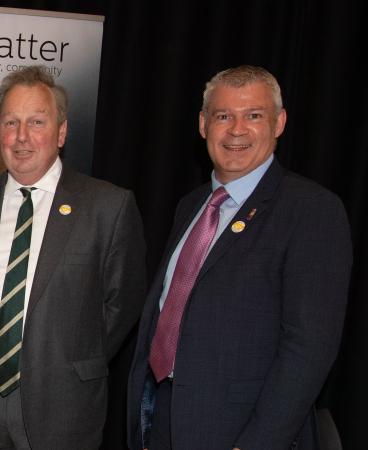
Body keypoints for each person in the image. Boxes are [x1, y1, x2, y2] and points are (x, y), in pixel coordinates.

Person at [127, 65, 351, 450]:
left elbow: (308, 350)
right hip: (163, 418)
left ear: (279, 123)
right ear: (203, 124)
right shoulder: (191, 205)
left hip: (240, 433)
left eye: (253, 116)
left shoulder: (311, 210)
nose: (236, 130)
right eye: (223, 116)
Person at [0, 65, 146, 449]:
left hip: (62, 400)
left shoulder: (108, 206)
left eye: (37, 122)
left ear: (62, 132)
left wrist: (66, 361)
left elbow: (122, 304)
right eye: (10, 123)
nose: (22, 137)